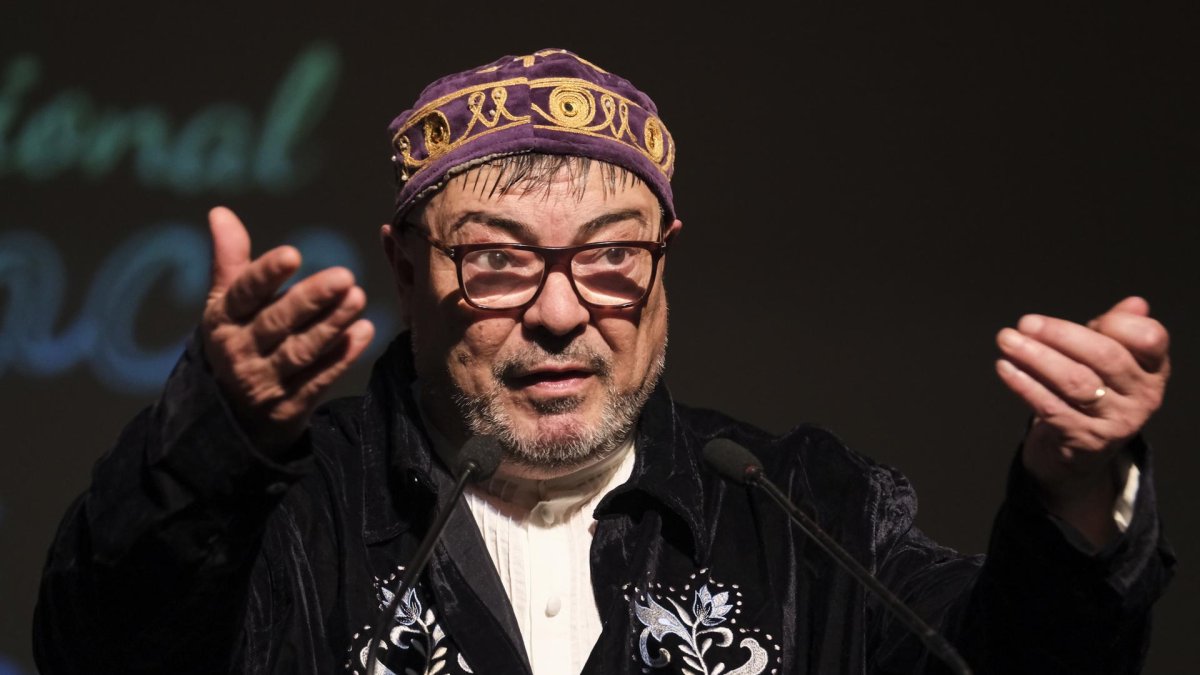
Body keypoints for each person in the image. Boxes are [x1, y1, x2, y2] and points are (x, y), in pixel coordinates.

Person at [34, 48, 1174, 675]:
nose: (561, 312)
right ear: (403, 268)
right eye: (496, 261)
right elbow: (106, 648)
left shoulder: (809, 512)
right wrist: (217, 446)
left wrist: (1077, 499)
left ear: (665, 263)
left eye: (612, 258)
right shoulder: (291, 515)